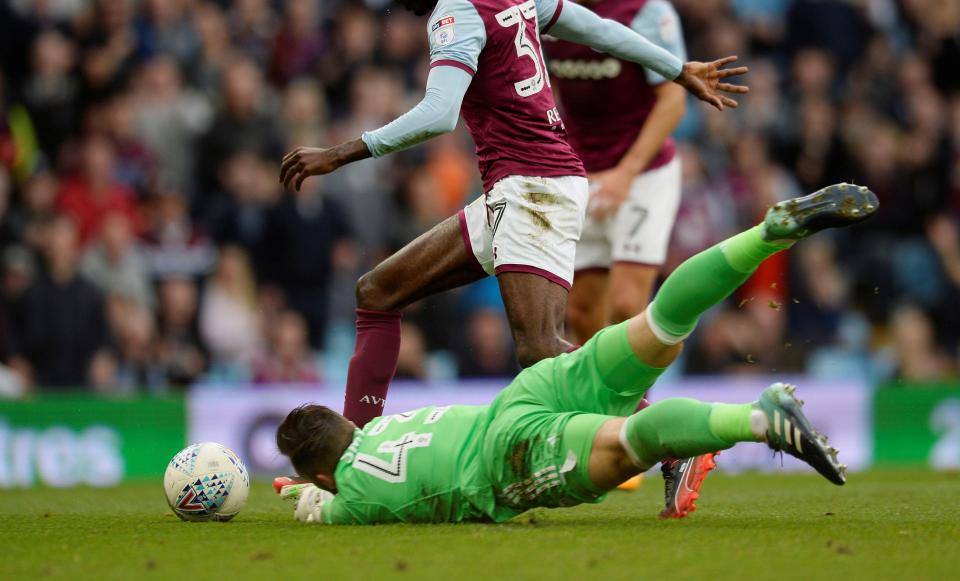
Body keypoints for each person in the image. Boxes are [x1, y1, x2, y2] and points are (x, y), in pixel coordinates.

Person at [279, 0, 748, 428]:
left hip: (533, 187)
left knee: (540, 350)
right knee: (377, 291)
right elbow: (594, 27)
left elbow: (438, 115)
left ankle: (676, 437)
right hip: (523, 186)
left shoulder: (452, 11)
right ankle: (354, 458)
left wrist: (341, 152)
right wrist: (676, 67)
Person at [274, 183, 877, 525]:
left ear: (324, 475)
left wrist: (308, 496)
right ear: (351, 425)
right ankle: (766, 234)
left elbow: (322, 505)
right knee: (661, 322)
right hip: (525, 394)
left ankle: (759, 419)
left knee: (633, 440)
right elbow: (340, 458)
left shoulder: (348, 497)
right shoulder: (380, 431)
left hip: (505, 460)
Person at [544, 0, 700, 500]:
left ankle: (650, 441)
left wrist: (626, 173)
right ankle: (609, 438)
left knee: (630, 304)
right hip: (581, 176)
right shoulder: (544, 9)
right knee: (582, 316)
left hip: (647, 171)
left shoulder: (649, 11)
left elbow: (672, 99)